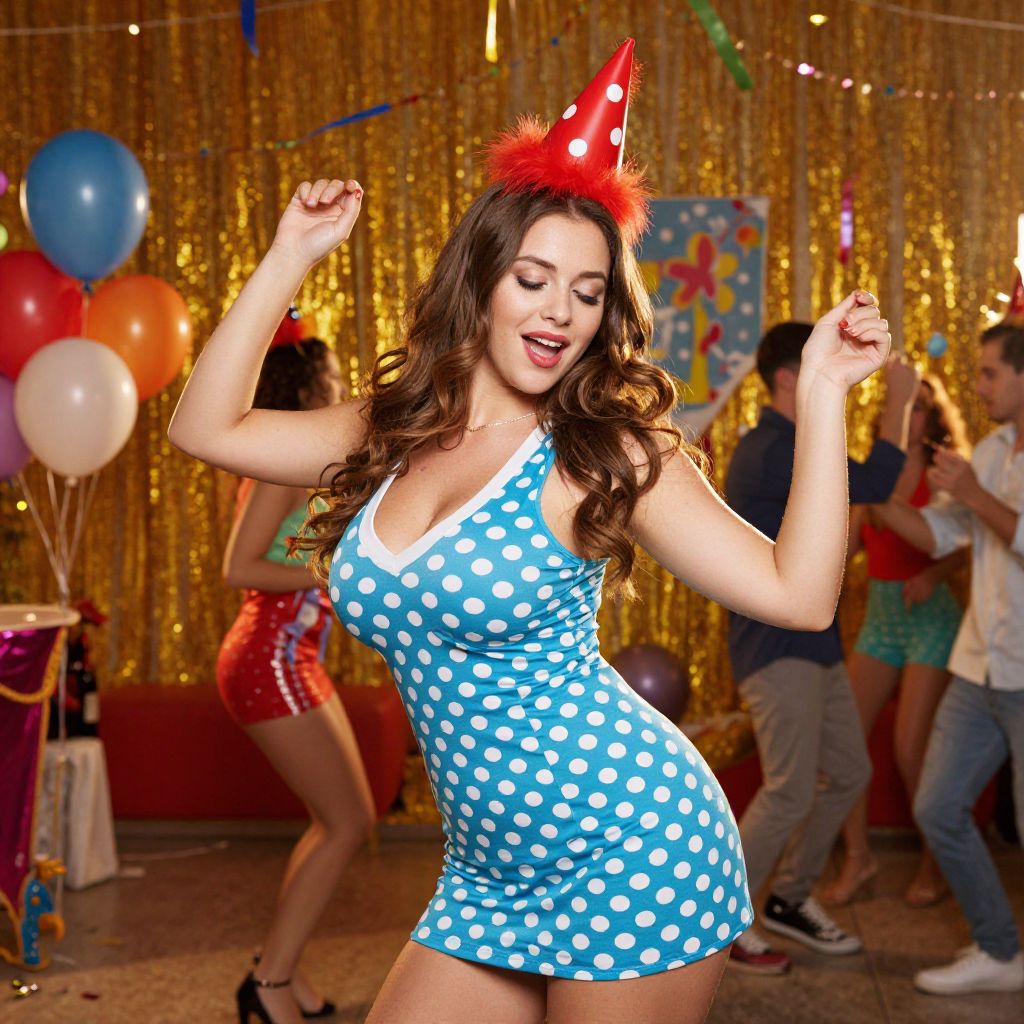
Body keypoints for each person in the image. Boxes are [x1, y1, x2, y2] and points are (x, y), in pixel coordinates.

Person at [169, 40, 892, 1024]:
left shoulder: (598, 452)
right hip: (485, 872)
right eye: (534, 278)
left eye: (588, 292)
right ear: (480, 279)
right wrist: (290, 254)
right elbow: (203, 428)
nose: (560, 312)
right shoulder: (389, 430)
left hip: (632, 851)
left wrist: (824, 394)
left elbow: (799, 596)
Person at [723, 324, 918, 975]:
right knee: (789, 790)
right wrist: (900, 400)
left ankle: (787, 899)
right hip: (775, 648)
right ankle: (725, 923)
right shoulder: (771, 449)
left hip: (815, 645)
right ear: (789, 377)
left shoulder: (792, 442)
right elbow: (879, 480)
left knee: (850, 773)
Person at [216, 336, 376, 1023]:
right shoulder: (278, 469)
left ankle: (277, 968)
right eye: (331, 379)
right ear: (308, 390)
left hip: (292, 656)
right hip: (268, 658)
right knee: (345, 825)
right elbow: (239, 568)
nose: (340, 389)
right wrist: (329, 577)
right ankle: (270, 983)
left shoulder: (301, 461)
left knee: (342, 821)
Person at [868, 320, 1024, 996]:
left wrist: (974, 496)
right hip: (976, 664)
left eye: (990, 373)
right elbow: (940, 534)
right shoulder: (989, 450)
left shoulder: (982, 467)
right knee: (936, 806)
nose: (978, 385)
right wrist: (877, 495)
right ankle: (1000, 949)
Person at [823, 374, 970, 908]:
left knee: (911, 749)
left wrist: (935, 573)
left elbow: (965, 542)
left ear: (933, 418)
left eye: (921, 407)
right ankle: (860, 859)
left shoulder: (944, 472)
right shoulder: (875, 472)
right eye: (903, 404)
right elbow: (848, 552)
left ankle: (937, 861)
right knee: (844, 745)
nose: (910, 413)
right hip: (882, 618)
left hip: (931, 617)